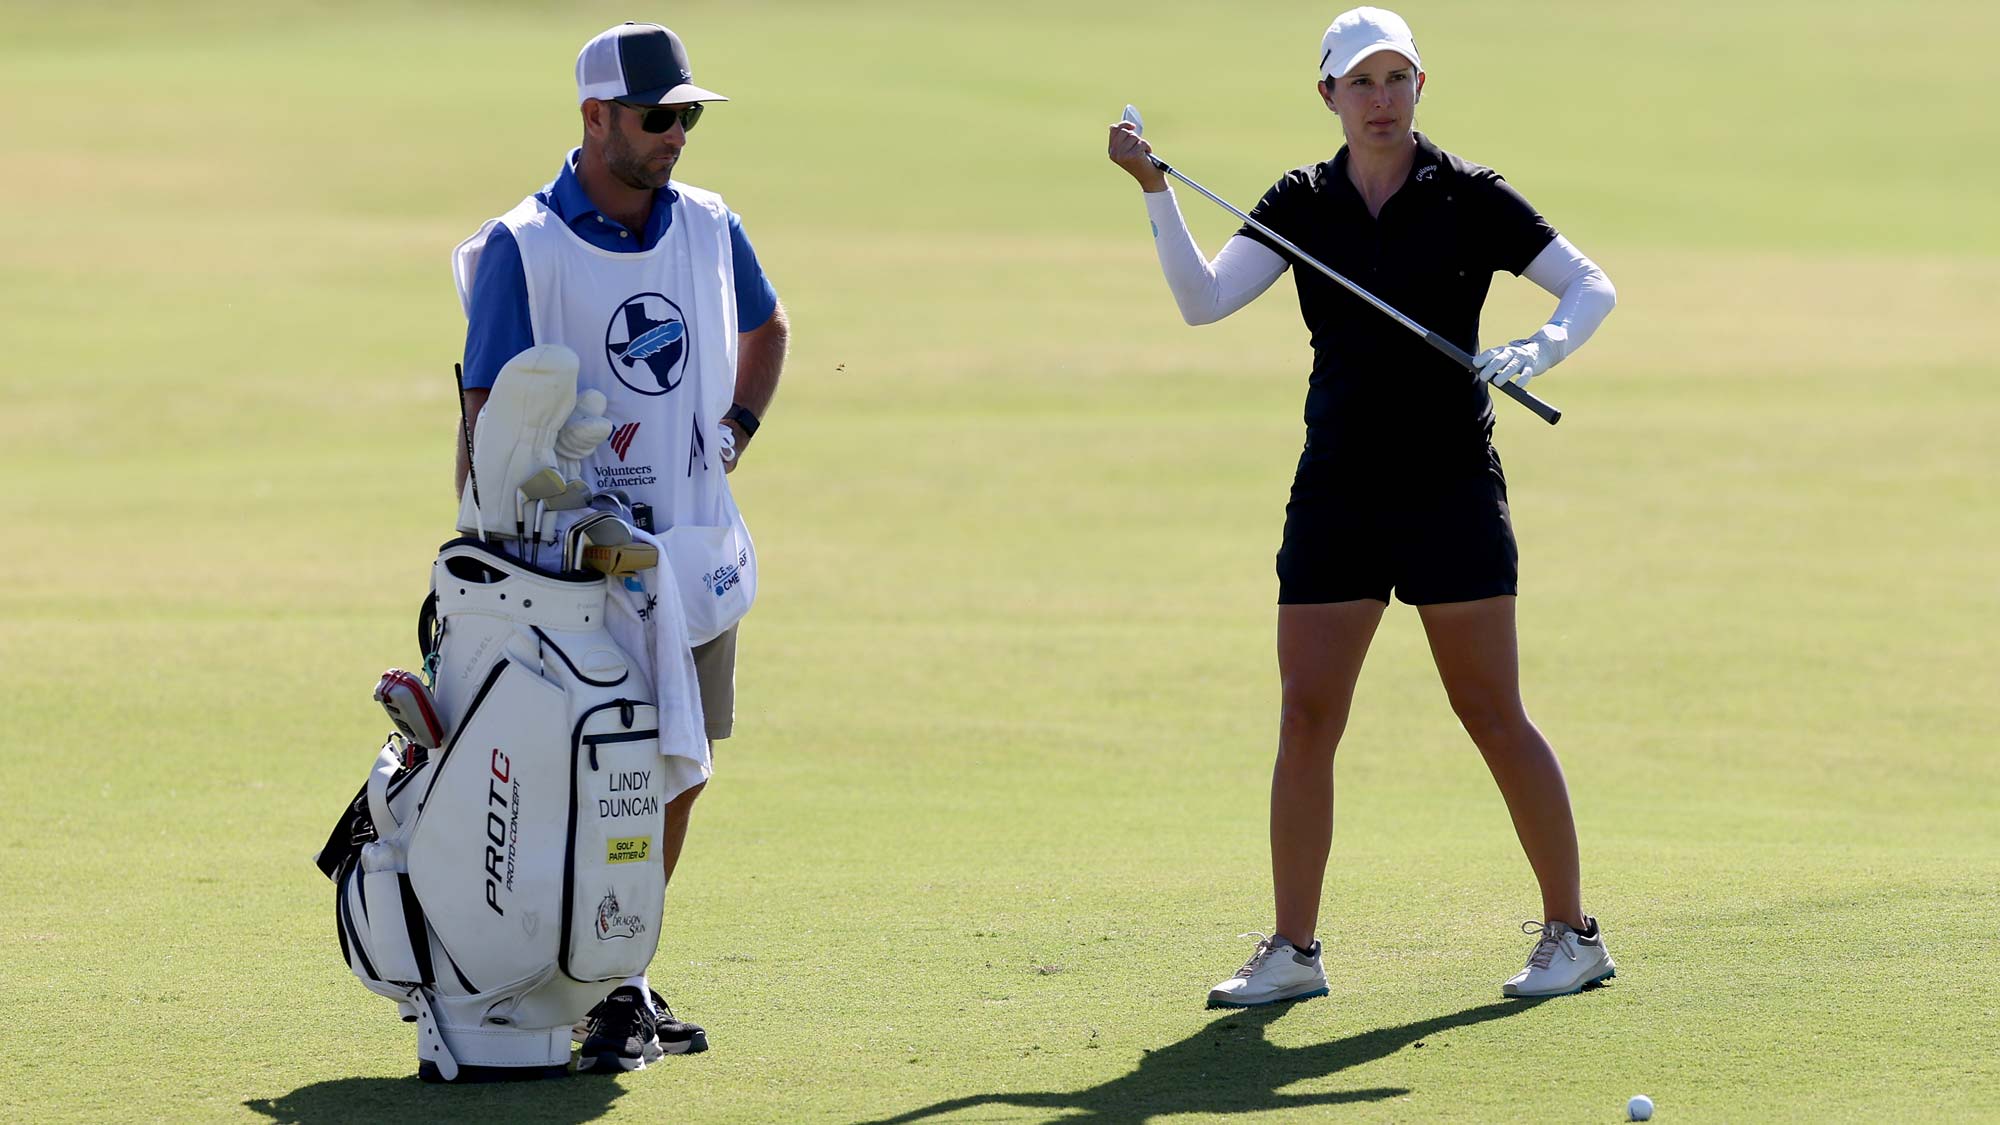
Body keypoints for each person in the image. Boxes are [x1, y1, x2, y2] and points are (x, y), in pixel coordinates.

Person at [1106, 6, 1618, 1006]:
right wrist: (1154, 193)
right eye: (1360, 83)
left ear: (1418, 87)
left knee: (1488, 711)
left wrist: (1536, 349)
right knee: (1306, 715)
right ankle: (1292, 952)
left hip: (1448, 486)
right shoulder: (1301, 200)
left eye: (1396, 80)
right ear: (1327, 95)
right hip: (1337, 484)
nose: (1380, 100)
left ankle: (1573, 934)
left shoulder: (1466, 194)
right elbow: (1202, 300)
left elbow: (1588, 286)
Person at [454, 20, 789, 1067]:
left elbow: (768, 331)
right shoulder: (523, 246)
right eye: (659, 117)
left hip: (686, 558)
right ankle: (553, 983)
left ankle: (619, 977)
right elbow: (481, 418)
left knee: (672, 775)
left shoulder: (707, 223)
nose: (677, 134)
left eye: (687, 115)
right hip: (566, 573)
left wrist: (736, 431)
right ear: (594, 117)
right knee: (575, 775)